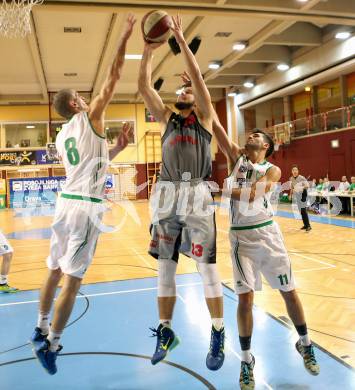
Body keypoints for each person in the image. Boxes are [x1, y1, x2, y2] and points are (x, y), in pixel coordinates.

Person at [30, 14, 136, 375]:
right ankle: (53, 344)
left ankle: (40, 326)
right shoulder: (91, 117)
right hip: (85, 209)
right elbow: (114, 76)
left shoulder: (63, 137)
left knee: (54, 272)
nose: (88, 98)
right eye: (81, 96)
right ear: (76, 105)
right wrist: (125, 36)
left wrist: (118, 147)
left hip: (64, 203)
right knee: (73, 281)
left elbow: (91, 164)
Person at [138, 15, 225, 370]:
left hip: (197, 194)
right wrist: (146, 51)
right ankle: (166, 330)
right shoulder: (166, 120)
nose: (185, 91)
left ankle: (218, 333)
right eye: (183, 91)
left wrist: (179, 37)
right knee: (164, 269)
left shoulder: (204, 119)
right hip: (166, 196)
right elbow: (144, 88)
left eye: (189, 90)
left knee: (206, 269)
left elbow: (200, 80)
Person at [212, 118, 320, 389]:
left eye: (258, 135)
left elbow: (251, 195)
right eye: (251, 133)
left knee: (289, 292)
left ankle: (305, 343)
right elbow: (214, 122)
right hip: (241, 238)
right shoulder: (236, 156)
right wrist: (195, 76)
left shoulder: (272, 170)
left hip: (268, 235)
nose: (252, 135)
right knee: (244, 300)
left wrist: (224, 189)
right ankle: (246, 360)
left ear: (266, 145)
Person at [290, 166, 312, 232]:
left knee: (303, 210)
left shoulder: (301, 178)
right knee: (301, 211)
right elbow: (292, 188)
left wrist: (301, 188)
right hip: (297, 195)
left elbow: (307, 185)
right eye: (293, 170)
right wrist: (290, 195)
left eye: (296, 170)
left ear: (298, 171)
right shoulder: (291, 179)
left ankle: (308, 226)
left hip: (303, 194)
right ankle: (305, 225)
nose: (295, 171)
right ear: (292, 171)